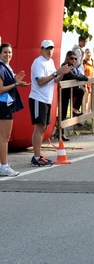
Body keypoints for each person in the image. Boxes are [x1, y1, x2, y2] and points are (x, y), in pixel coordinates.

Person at [29, 40, 73, 166]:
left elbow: (55, 80)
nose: (49, 51)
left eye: (51, 49)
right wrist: (56, 73)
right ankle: (36, 157)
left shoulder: (51, 62)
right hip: (38, 98)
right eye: (47, 48)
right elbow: (40, 81)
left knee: (44, 128)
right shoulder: (38, 62)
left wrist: (62, 73)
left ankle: (38, 154)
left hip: (47, 99)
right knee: (39, 127)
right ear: (41, 49)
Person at [0, 43, 30, 176]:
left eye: (10, 52)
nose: (8, 55)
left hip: (6, 103)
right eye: (5, 52)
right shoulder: (1, 68)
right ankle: (4, 166)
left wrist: (17, 83)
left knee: (3, 137)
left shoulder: (6, 67)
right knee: (5, 137)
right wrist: (16, 84)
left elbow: (10, 83)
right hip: (3, 104)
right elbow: (0, 89)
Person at [59, 51, 88, 141]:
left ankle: (75, 109)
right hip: (64, 92)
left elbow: (79, 74)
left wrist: (83, 77)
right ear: (67, 58)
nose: (74, 60)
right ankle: (61, 133)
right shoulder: (65, 66)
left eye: (75, 58)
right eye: (72, 58)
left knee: (80, 91)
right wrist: (85, 78)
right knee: (63, 113)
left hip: (70, 90)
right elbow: (73, 76)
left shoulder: (74, 67)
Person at [83, 48, 94, 113]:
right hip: (86, 83)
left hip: (93, 83)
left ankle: (88, 115)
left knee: (91, 100)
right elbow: (83, 73)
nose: (89, 54)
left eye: (89, 52)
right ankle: (84, 114)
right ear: (85, 54)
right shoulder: (84, 62)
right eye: (87, 52)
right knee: (86, 100)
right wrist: (84, 86)